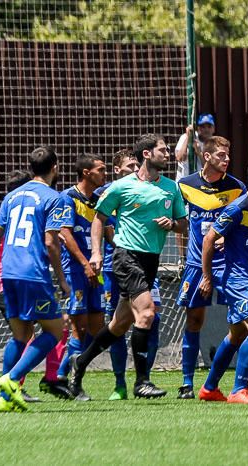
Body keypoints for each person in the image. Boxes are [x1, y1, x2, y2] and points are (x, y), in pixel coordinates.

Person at [69, 133, 188, 399]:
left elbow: (183, 223)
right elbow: (99, 218)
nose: (167, 154)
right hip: (126, 256)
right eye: (162, 150)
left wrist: (172, 225)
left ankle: (80, 362)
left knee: (119, 324)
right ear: (146, 154)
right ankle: (141, 381)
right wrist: (97, 253)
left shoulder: (171, 187)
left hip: (150, 259)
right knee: (146, 314)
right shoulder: (121, 186)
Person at [0, 146, 71, 412]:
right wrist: (62, 279)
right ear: (55, 167)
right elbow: (51, 243)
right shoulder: (54, 197)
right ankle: (11, 380)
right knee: (55, 331)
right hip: (33, 273)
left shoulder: (11, 196)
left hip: (8, 273)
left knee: (21, 334)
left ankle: (5, 398)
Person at [197, 161, 248, 404]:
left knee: (236, 335)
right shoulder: (237, 208)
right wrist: (207, 276)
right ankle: (239, 389)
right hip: (236, 280)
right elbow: (209, 239)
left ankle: (209, 388)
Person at [175, 136, 246, 399]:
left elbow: (245, 221)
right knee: (194, 320)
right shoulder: (185, 185)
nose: (226, 160)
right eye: (221, 156)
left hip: (229, 264)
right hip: (196, 264)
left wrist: (229, 236)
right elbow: (179, 220)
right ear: (207, 157)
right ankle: (186, 382)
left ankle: (242, 380)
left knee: (241, 322)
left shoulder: (237, 188)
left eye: (228, 156)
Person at [97, 149, 164, 401]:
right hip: (117, 268)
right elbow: (103, 225)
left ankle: (144, 376)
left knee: (150, 318)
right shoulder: (111, 193)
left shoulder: (149, 190)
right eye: (128, 167)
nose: (134, 170)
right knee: (117, 324)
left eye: (136, 165)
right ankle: (120, 383)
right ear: (117, 170)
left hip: (144, 264)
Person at [54, 154, 107, 401]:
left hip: (96, 270)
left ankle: (62, 375)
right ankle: (66, 380)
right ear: (86, 173)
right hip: (76, 270)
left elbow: (109, 231)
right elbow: (64, 233)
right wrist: (85, 263)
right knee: (79, 327)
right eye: (101, 170)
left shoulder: (99, 200)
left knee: (97, 329)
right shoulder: (67, 198)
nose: (104, 174)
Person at [175, 113, 216, 180]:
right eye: (203, 127)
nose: (206, 129)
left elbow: (209, 167)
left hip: (199, 182)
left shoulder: (213, 144)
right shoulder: (185, 137)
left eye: (209, 126)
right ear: (198, 128)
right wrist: (188, 137)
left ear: (214, 129)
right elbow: (180, 158)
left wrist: (199, 152)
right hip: (183, 180)